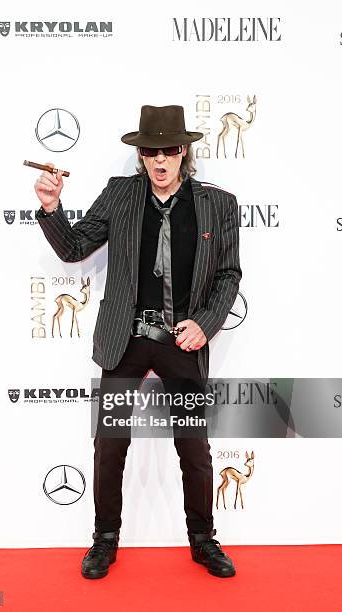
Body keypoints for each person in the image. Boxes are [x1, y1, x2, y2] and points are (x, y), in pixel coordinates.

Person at [34, 105, 242, 579]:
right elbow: (73, 248)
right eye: (151, 152)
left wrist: (205, 323)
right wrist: (51, 208)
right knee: (110, 444)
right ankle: (104, 539)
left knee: (194, 446)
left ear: (183, 151)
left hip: (181, 340)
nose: (161, 160)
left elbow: (229, 275)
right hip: (125, 337)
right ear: (141, 155)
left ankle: (203, 539)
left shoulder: (218, 204)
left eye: (170, 150)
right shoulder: (120, 195)